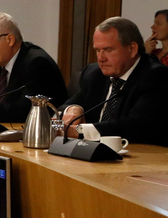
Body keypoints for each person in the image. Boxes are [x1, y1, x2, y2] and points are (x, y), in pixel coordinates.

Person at [62, 16, 168, 145]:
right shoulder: (94, 74)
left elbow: (137, 126)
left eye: (108, 50)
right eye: (98, 50)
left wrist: (80, 131)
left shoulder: (156, 76)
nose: (101, 58)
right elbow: (64, 106)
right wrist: (74, 109)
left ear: (132, 49)